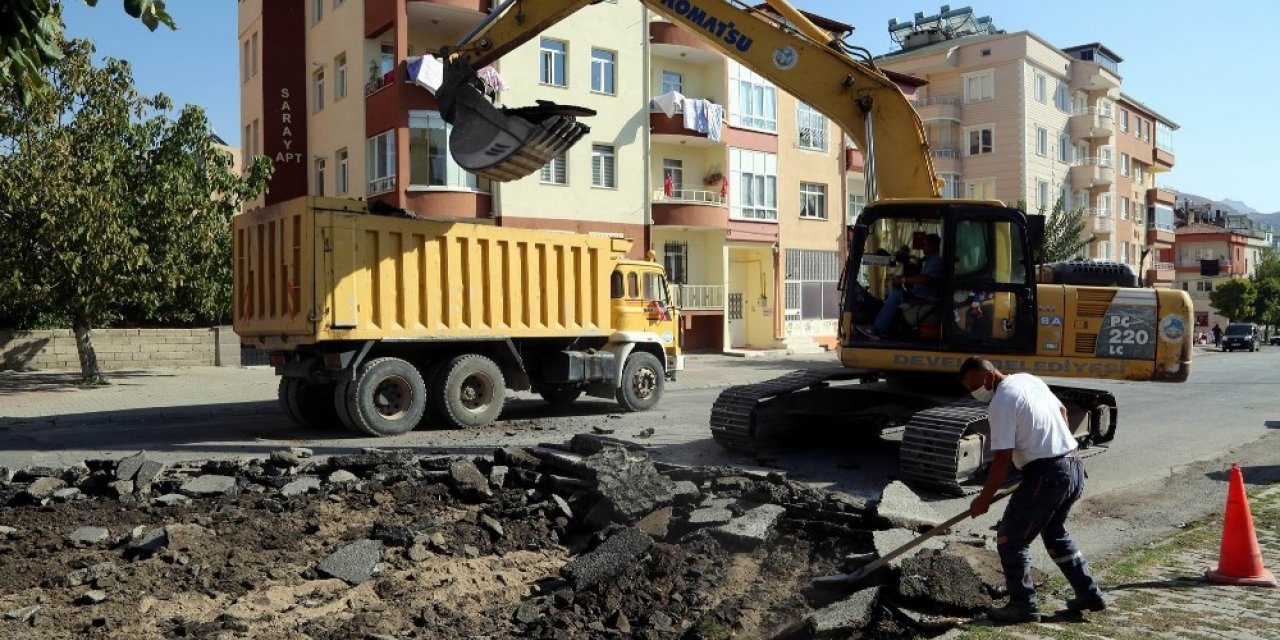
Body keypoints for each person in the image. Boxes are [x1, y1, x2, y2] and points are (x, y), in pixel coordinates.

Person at [959, 356, 1105, 623]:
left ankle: (1023, 605)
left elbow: (1002, 457)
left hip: (1048, 474)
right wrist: (1052, 443)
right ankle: (1089, 593)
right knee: (1055, 534)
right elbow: (1061, 412)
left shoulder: (1001, 401)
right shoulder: (1028, 380)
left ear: (989, 376)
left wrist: (984, 499)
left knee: (1010, 540)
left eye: (975, 386)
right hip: (1071, 465)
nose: (974, 393)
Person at [863, 233, 941, 339]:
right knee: (894, 293)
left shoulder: (937, 259)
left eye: (925, 245)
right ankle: (889, 328)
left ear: (932, 245)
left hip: (926, 297)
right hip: (920, 293)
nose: (923, 247)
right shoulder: (930, 259)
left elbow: (926, 279)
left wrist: (904, 279)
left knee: (895, 296)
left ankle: (877, 329)